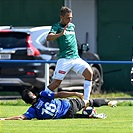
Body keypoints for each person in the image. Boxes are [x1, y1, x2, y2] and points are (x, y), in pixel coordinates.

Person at [46, 6, 93, 100]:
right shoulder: (56, 27)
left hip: (76, 58)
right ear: (61, 17)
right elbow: (48, 37)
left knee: (89, 73)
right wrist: (60, 34)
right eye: (68, 17)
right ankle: (40, 98)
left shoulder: (72, 26)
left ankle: (86, 102)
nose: (70, 19)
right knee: (55, 84)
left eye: (71, 17)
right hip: (64, 59)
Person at [0, 89, 117, 120]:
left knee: (75, 116)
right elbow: (59, 94)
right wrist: (75, 93)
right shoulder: (43, 95)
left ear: (26, 102)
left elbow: (21, 117)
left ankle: (89, 115)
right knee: (88, 102)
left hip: (64, 115)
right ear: (34, 95)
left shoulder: (32, 111)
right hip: (69, 105)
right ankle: (108, 102)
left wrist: (5, 119)